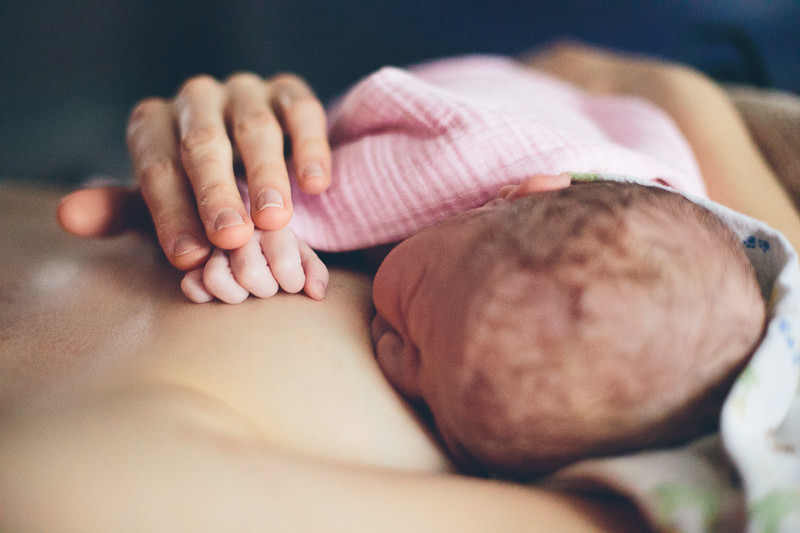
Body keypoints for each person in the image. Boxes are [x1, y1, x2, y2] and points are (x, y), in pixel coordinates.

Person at [34, 42, 799, 530]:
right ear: (518, 195)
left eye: (430, 396)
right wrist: (279, 205)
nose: (393, 350)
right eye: (419, 295)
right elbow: (597, 74)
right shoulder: (551, 195)